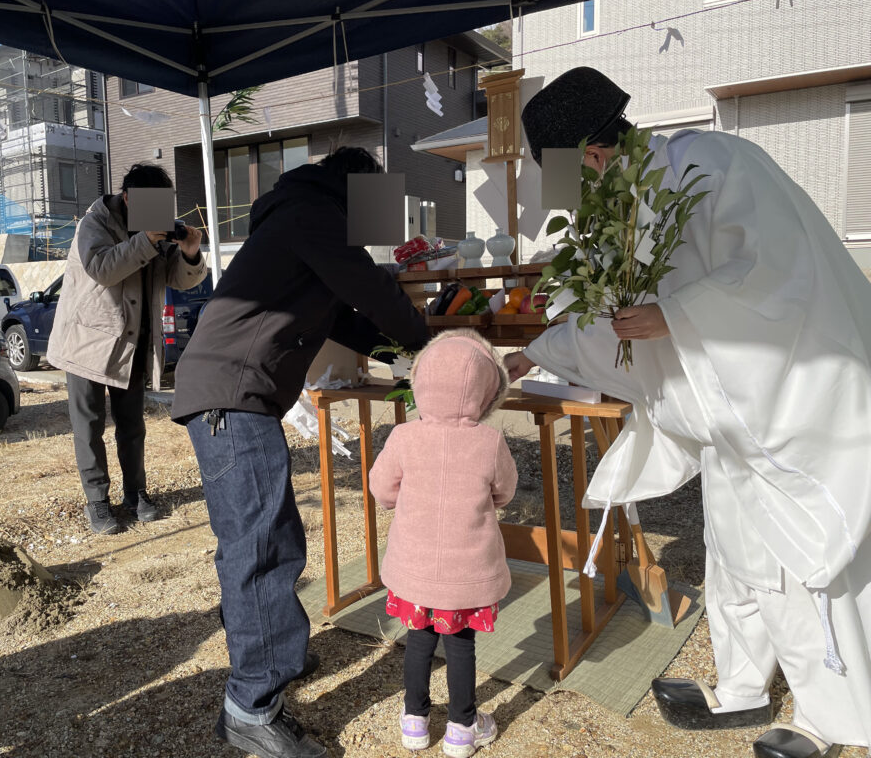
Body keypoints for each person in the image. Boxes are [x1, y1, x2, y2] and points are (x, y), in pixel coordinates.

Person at [505, 66, 871, 758]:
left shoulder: (714, 162)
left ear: (591, 157)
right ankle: (742, 688)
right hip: (729, 419)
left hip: (794, 403)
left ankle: (836, 716)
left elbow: (778, 272)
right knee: (733, 551)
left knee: (800, 558)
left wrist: (673, 314)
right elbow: (613, 321)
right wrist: (538, 353)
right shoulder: (629, 206)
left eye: (568, 179)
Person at [171, 146, 429, 758]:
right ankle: (251, 706)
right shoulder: (314, 217)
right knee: (261, 545)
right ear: (356, 190)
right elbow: (370, 288)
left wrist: (407, 345)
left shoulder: (298, 214)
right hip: (231, 398)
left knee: (271, 538)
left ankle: (273, 658)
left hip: (233, 393)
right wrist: (428, 334)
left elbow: (346, 314)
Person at [369, 329, 516, 758]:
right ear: (487, 393)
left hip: (413, 567)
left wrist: (404, 501)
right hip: (467, 573)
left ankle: (415, 719)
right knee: (461, 645)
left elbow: (381, 488)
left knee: (417, 639)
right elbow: (504, 491)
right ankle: (461, 729)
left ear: (421, 382)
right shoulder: (489, 442)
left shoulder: (404, 436)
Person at [48, 163, 206, 535]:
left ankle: (135, 493)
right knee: (89, 427)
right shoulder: (95, 222)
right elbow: (102, 268)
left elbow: (176, 278)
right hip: (87, 341)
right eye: (151, 204)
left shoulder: (154, 225)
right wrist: (147, 240)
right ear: (128, 197)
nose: (158, 213)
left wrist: (190, 253)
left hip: (133, 342)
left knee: (132, 427)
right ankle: (97, 502)